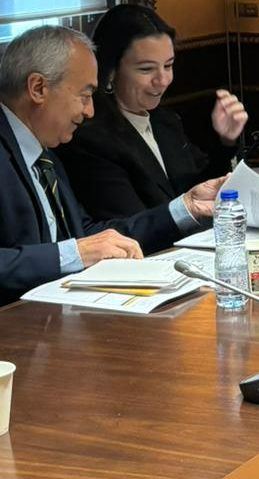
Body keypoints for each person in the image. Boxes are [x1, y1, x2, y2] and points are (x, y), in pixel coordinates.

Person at [0, 25, 222, 305]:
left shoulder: (44, 153)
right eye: (84, 95)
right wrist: (75, 253)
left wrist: (186, 208)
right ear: (38, 88)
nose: (90, 110)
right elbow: (76, 250)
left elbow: (91, 239)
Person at [56, 5, 248, 219]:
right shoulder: (92, 140)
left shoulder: (165, 120)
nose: (163, 80)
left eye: (168, 66)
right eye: (146, 69)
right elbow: (132, 224)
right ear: (110, 71)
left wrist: (225, 142)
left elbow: (199, 189)